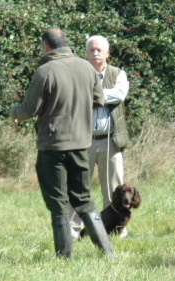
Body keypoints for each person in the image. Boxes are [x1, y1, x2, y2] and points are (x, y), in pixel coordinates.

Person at [11, 28, 114, 259]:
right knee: (85, 199)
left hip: (53, 148)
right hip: (81, 145)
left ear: (47, 46)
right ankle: (108, 253)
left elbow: (29, 109)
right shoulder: (87, 68)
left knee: (58, 204)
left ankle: (64, 257)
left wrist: (14, 113)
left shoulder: (45, 71)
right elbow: (99, 99)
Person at [70, 35, 131, 238]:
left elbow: (120, 94)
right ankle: (73, 231)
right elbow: (74, 97)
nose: (95, 53)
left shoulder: (118, 73)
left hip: (110, 141)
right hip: (82, 141)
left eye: (99, 50)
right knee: (78, 187)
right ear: (86, 53)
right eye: (91, 50)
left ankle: (117, 231)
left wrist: (92, 95)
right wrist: (105, 94)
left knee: (115, 190)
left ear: (107, 53)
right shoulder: (78, 73)